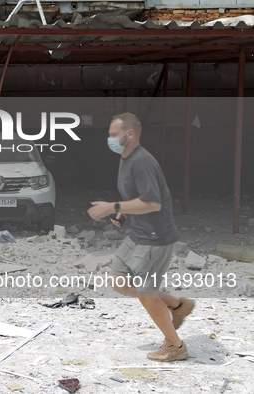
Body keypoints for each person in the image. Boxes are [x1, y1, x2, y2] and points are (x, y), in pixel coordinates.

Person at [87, 112, 195, 362]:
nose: (110, 139)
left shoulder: (142, 162)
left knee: (147, 294)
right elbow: (137, 198)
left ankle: (175, 346)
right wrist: (122, 213)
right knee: (119, 281)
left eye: (113, 134)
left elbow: (152, 203)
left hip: (155, 239)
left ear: (130, 134)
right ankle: (177, 305)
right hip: (138, 234)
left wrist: (112, 206)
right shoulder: (127, 158)